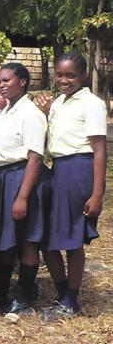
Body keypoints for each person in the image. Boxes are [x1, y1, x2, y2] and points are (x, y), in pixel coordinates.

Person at [36, 53, 106, 320]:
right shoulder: (58, 103)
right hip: (58, 169)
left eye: (70, 75)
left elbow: (99, 150)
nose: (64, 80)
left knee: (72, 237)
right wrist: (44, 112)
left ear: (84, 76)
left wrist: (97, 193)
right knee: (49, 237)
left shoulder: (91, 104)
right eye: (60, 74)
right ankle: (63, 292)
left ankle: (70, 300)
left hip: (79, 168)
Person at [0, 63, 47, 316]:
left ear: (22, 81)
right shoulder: (5, 111)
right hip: (2, 178)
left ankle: (25, 295)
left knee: (26, 241)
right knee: (5, 241)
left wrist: (22, 196)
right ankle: (1, 293)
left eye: (6, 80)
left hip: (22, 177)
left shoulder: (30, 113)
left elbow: (35, 157)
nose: (0, 85)